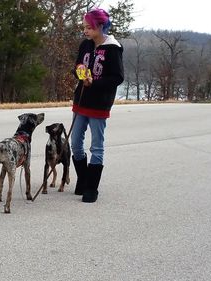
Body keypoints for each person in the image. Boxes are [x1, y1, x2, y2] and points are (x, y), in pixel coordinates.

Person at [71, 8, 124, 203]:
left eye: (88, 27)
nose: (85, 31)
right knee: (75, 142)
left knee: (96, 146)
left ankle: (91, 188)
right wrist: (80, 72)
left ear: (100, 26)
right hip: (81, 100)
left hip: (99, 103)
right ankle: (83, 180)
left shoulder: (113, 48)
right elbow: (77, 66)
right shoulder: (85, 45)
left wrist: (95, 82)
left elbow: (118, 77)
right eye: (84, 27)